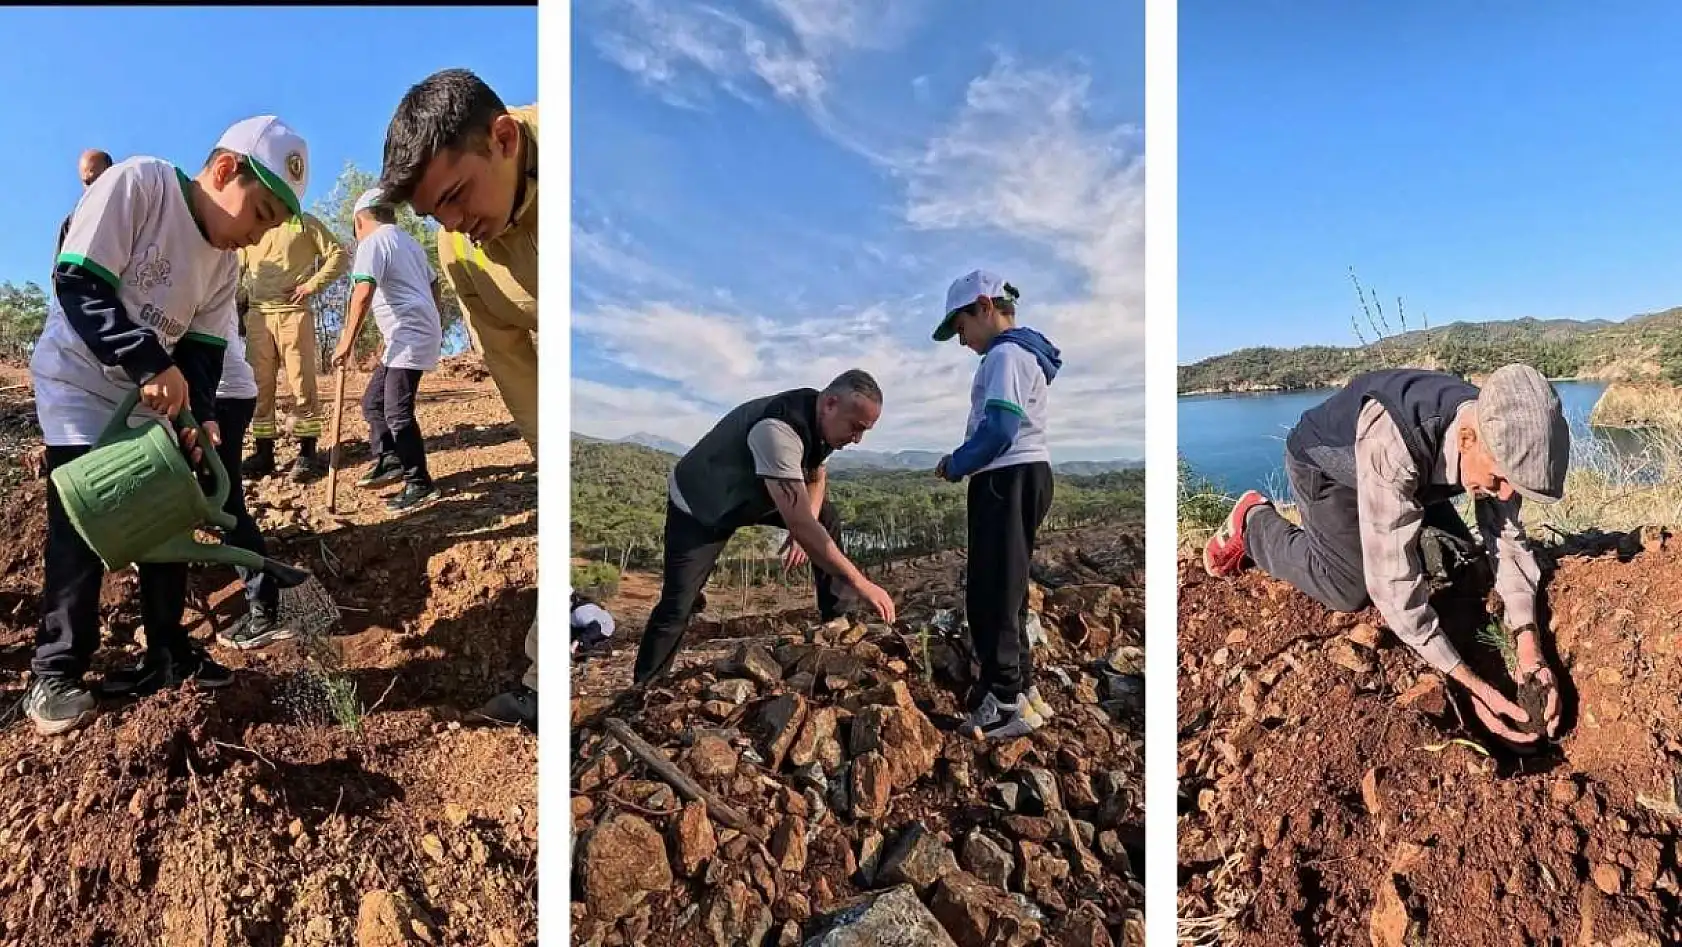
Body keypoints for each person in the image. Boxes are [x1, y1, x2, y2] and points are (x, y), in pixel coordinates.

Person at [26, 116, 311, 734]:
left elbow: (204, 352)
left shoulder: (223, 264)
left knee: (169, 505)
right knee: (82, 513)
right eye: (259, 214)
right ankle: (55, 670)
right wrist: (149, 360)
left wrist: (200, 417)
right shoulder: (141, 185)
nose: (256, 235)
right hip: (80, 381)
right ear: (225, 170)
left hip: (147, 391)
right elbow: (78, 284)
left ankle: (166, 651)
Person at [1202, 364, 1569, 748]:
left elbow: (1507, 540)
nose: (1508, 494)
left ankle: (1405, 518)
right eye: (1499, 479)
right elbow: (1392, 590)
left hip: (1406, 482)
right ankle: (1254, 524)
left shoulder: (1500, 435)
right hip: (1328, 469)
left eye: (1517, 483)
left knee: (1464, 565)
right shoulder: (1393, 444)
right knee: (1348, 588)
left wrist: (1531, 652)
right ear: (1466, 438)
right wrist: (1473, 685)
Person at [379, 67, 538, 728]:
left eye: (456, 195)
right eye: (432, 213)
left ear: (503, 138)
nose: (453, 223)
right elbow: (513, 361)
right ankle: (542, 683)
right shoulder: (458, 248)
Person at [632, 370, 900, 686]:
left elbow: (816, 476)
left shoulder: (824, 425)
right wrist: (860, 581)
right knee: (677, 605)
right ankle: (644, 687)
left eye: (864, 432)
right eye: (856, 428)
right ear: (830, 403)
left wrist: (807, 526)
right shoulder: (778, 431)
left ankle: (836, 621)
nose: (857, 439)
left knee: (825, 518)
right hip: (702, 504)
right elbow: (800, 522)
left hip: (757, 493)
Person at [933, 270, 1062, 740]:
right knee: (1010, 588)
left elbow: (1001, 429)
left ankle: (1005, 704)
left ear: (984, 307)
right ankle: (1021, 689)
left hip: (1004, 478)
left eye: (961, 326)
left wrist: (957, 463)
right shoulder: (1025, 353)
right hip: (1026, 475)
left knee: (990, 593)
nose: (961, 340)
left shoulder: (1004, 355)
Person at [331, 188, 444, 512]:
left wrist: (346, 341)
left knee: (396, 411)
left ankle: (419, 482)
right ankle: (389, 458)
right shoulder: (408, 242)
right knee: (374, 402)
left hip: (409, 335)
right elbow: (434, 283)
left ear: (359, 220)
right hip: (410, 334)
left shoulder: (372, 242)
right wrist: (433, 320)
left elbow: (363, 292)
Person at [211, 280, 294, 650]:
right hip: (222, 392)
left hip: (221, 396)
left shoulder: (194, 261)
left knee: (224, 504)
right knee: (216, 501)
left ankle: (265, 607)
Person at [238, 204, 346, 482]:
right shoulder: (254, 224)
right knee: (258, 386)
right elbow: (235, 268)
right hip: (258, 317)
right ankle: (263, 453)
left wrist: (311, 285)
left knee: (301, 382)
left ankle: (308, 452)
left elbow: (338, 254)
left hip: (294, 314)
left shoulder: (304, 222)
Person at [56, 149, 114, 259]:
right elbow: (59, 271)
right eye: (87, 183)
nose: (93, 187)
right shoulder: (71, 224)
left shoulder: (131, 215)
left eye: (98, 179)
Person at [570, 591, 615, 656]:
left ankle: (592, 649)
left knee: (582, 643)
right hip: (602, 627)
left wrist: (577, 641)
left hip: (602, 629)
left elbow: (595, 627)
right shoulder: (583, 608)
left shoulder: (580, 612)